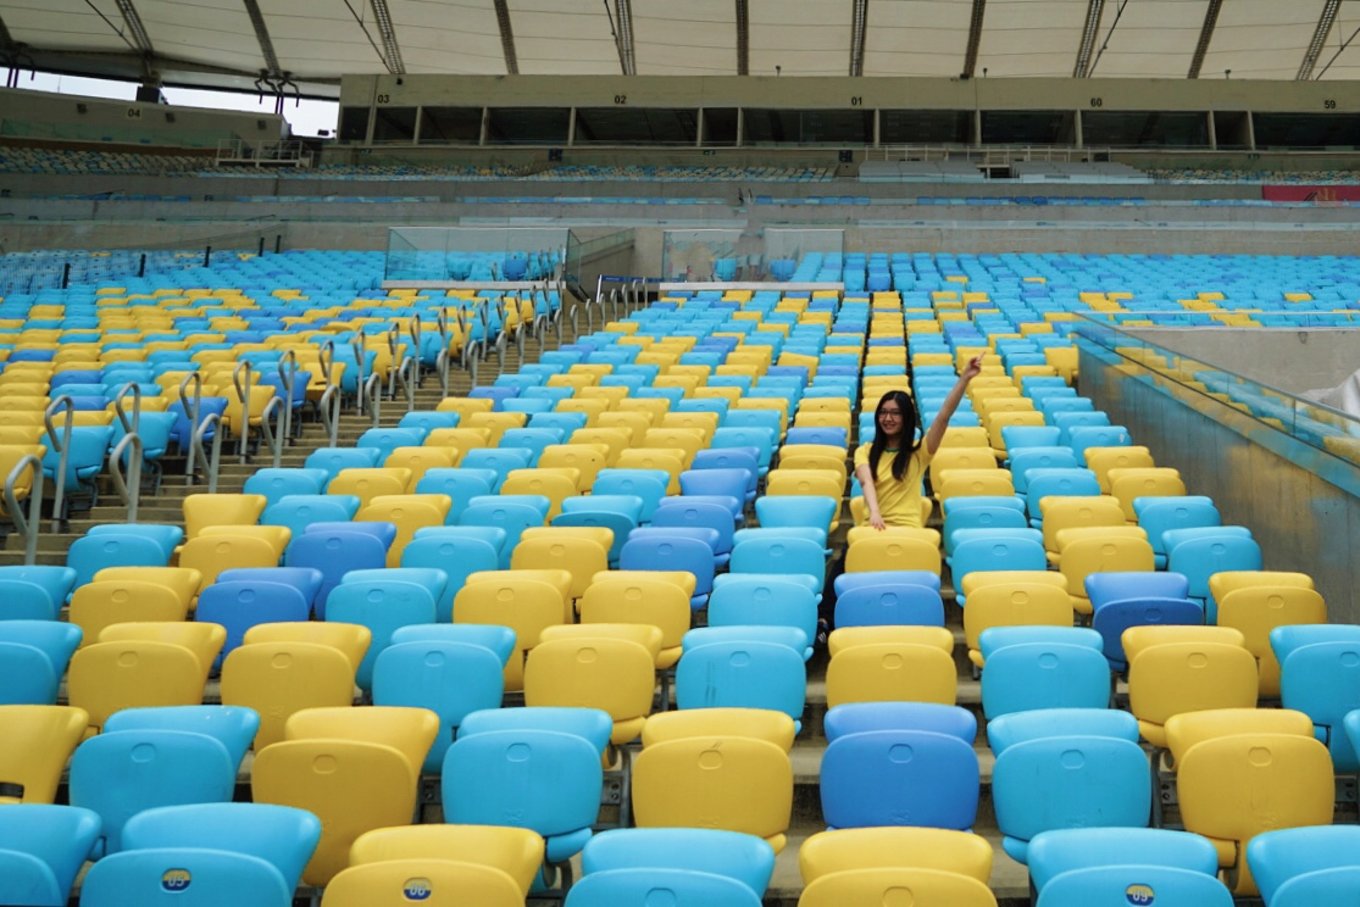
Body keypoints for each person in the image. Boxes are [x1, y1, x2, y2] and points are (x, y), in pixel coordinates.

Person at [854, 354, 985, 529]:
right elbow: (866, 481)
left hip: (908, 528)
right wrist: (875, 512)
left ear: (907, 418)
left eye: (895, 413)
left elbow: (943, 417)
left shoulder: (919, 453)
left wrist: (964, 378)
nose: (888, 418)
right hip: (872, 526)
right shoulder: (864, 451)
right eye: (883, 412)